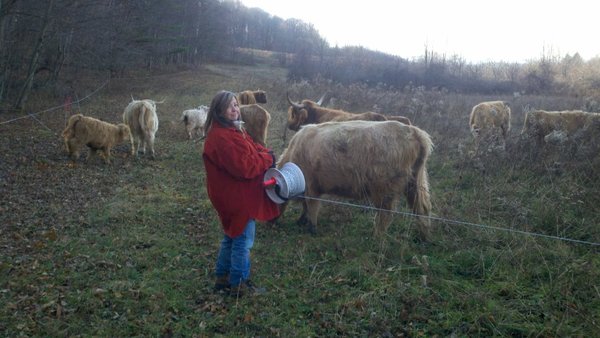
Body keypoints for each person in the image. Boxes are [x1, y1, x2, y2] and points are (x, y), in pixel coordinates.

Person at [202, 90, 280, 297]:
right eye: (230, 106)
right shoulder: (223, 137)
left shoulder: (231, 130)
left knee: (231, 235)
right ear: (218, 110)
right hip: (235, 197)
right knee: (243, 239)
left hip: (228, 194)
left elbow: (253, 149)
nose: (235, 109)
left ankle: (222, 277)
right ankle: (238, 283)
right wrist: (267, 160)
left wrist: (265, 153)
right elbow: (245, 166)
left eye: (236, 105)